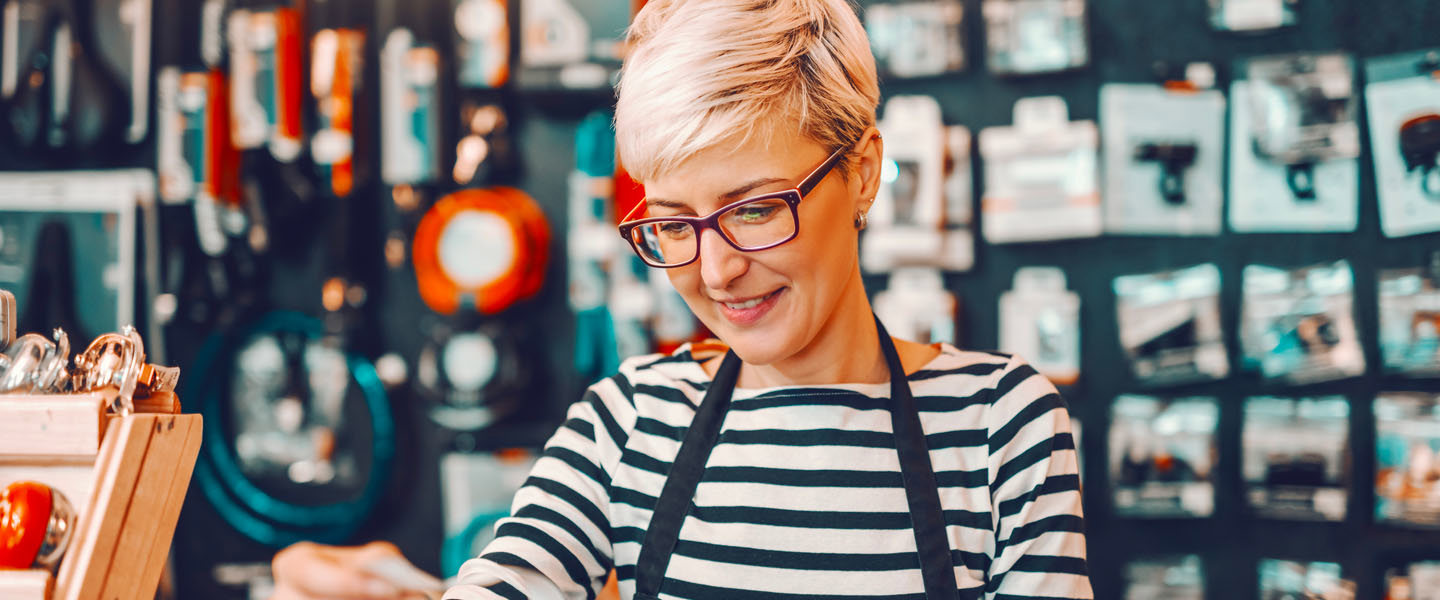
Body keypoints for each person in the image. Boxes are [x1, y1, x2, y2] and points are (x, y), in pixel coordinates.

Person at [271, 0, 1093, 598]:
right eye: (673, 224)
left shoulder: (997, 424)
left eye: (755, 209)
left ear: (864, 171)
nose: (717, 270)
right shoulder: (631, 420)